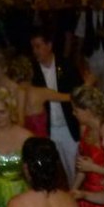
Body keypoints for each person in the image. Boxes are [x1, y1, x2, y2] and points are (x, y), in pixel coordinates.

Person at [30, 27, 83, 183]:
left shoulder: (66, 65)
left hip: (68, 127)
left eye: (38, 46)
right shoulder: (32, 72)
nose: (35, 51)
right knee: (47, 172)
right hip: (46, 129)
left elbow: (79, 93)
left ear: (49, 45)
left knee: (74, 170)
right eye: (33, 47)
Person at [75, 0, 104, 91]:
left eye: (99, 0)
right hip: (91, 55)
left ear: (102, 1)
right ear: (91, 1)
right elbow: (80, 36)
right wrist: (79, 54)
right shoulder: (85, 16)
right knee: (92, 84)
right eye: (94, 0)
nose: (97, 3)